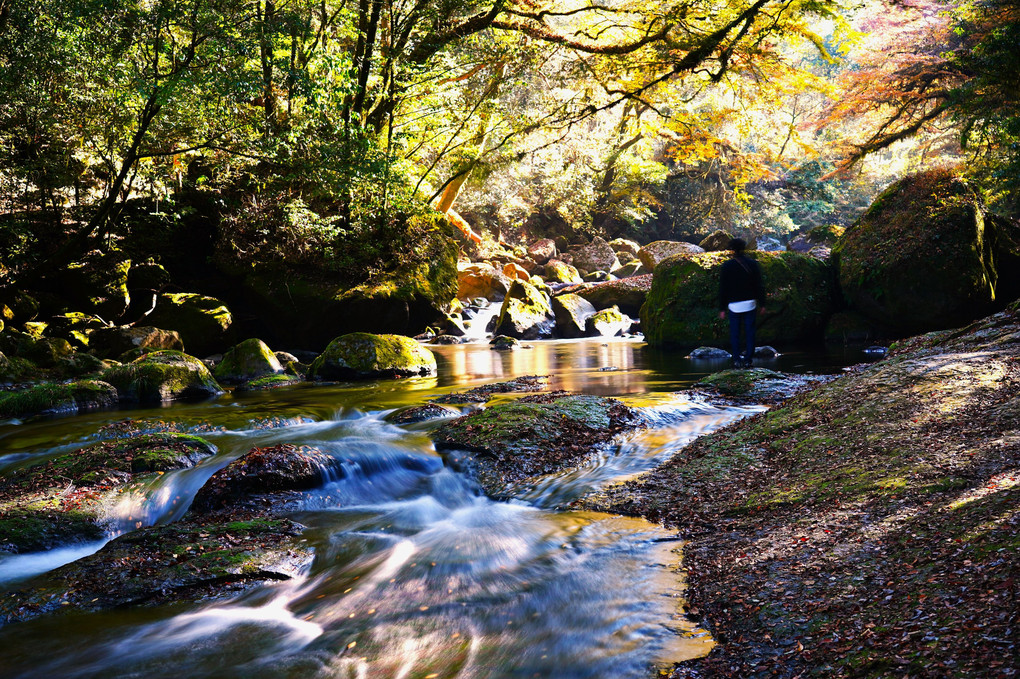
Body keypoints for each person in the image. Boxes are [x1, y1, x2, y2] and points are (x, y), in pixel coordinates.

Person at [718, 238, 765, 368]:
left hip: (734, 305)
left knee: (735, 333)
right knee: (750, 332)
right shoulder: (752, 264)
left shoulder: (727, 266)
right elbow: (759, 285)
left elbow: (723, 288)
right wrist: (763, 304)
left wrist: (722, 308)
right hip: (750, 303)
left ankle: (737, 359)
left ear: (732, 250)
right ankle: (749, 359)